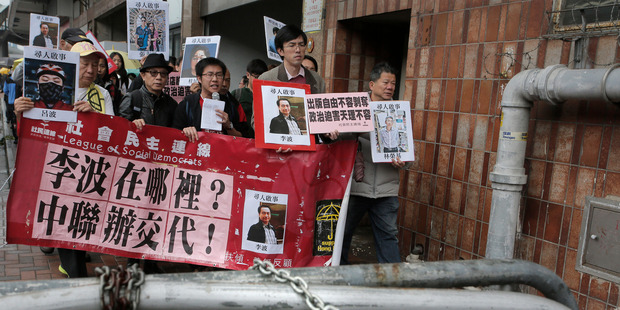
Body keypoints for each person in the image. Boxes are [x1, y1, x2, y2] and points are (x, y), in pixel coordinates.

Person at [15, 42, 113, 277]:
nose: (91, 70)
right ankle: (74, 269)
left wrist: (95, 117)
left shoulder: (102, 94)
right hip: (55, 166)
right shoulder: (45, 89)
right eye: (85, 64)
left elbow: (113, 133)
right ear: (70, 65)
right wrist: (19, 112)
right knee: (63, 216)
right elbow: (29, 134)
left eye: (95, 65)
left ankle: (69, 259)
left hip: (88, 168)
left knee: (78, 218)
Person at [340, 62, 408, 265]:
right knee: (342, 235)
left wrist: (404, 162)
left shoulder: (398, 113)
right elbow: (337, 140)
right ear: (372, 84)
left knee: (388, 236)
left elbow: (408, 152)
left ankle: (393, 285)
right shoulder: (355, 109)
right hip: (356, 187)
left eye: (393, 84)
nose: (390, 87)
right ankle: (339, 276)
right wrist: (354, 131)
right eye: (385, 82)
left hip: (386, 190)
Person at [173, 57, 243, 141]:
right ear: (199, 78)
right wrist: (185, 132)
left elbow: (243, 139)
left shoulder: (231, 104)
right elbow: (174, 136)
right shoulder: (187, 104)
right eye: (209, 75)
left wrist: (229, 126)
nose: (215, 79)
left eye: (219, 75)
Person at [259, 24, 325, 94]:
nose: (298, 50)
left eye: (301, 45)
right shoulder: (266, 79)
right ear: (280, 51)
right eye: (292, 45)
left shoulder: (317, 80)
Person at [119, 53, 177, 129]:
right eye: (153, 73)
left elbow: (176, 130)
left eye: (163, 73)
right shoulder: (132, 98)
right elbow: (120, 128)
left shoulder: (171, 103)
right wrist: (131, 124)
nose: (159, 77)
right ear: (143, 75)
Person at [231, 59, 268, 128]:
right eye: (256, 77)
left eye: (262, 77)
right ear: (248, 75)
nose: (259, 80)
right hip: (241, 136)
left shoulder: (267, 96)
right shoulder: (237, 94)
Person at [218, 69, 251, 138]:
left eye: (227, 80)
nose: (224, 84)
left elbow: (244, 135)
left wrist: (229, 126)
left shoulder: (235, 104)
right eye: (222, 80)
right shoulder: (195, 101)